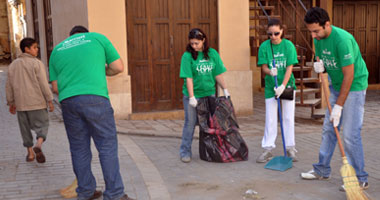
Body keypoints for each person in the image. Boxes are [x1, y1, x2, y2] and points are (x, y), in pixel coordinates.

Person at [49, 26, 133, 200]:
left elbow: (55, 87)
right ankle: (115, 194)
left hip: (69, 102)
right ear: (85, 33)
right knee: (106, 146)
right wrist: (101, 70)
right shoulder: (97, 38)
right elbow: (118, 67)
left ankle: (86, 192)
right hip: (96, 99)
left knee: (79, 148)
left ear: (70, 37)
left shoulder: (57, 49)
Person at [300, 7, 369, 191]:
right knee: (329, 129)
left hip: (354, 86)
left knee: (350, 135)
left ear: (327, 24)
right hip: (336, 85)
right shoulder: (319, 40)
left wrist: (338, 106)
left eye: (316, 31)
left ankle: (360, 178)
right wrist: (320, 68)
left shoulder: (342, 40)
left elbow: (349, 76)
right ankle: (322, 169)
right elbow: (324, 62)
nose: (313, 35)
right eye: (311, 31)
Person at [179, 28, 230, 163]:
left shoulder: (212, 54)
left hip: (209, 94)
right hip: (193, 95)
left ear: (203, 40)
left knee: (207, 124)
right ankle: (185, 151)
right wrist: (191, 97)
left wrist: (225, 89)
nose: (194, 46)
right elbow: (188, 78)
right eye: (192, 44)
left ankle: (207, 150)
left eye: (196, 43)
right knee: (190, 123)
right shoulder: (187, 56)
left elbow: (217, 73)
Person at [256, 19, 298, 163]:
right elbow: (263, 68)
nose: (273, 36)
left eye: (276, 33)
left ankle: (290, 147)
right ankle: (268, 149)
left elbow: (289, 68)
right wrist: (270, 72)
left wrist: (283, 85)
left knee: (287, 117)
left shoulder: (288, 46)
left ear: (282, 32)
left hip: (287, 86)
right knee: (271, 118)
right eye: (270, 34)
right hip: (270, 87)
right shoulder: (264, 47)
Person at [5, 37, 54, 163]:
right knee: (43, 125)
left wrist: (11, 102)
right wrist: (49, 100)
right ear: (27, 49)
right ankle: (38, 144)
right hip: (37, 102)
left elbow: (9, 85)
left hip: (21, 104)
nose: (37, 50)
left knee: (24, 129)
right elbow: (43, 83)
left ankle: (30, 154)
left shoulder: (13, 65)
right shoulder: (37, 63)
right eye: (35, 47)